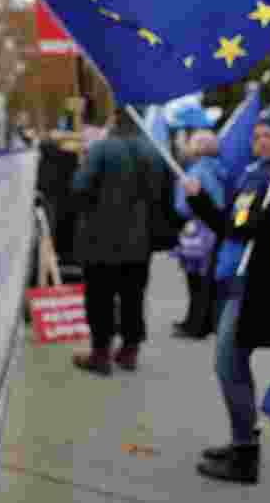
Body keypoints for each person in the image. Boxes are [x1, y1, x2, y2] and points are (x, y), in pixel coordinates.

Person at [182, 103, 270, 484]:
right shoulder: (252, 174)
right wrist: (198, 199)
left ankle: (245, 455)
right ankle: (242, 439)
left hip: (255, 287)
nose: (260, 141)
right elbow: (232, 225)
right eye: (257, 135)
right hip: (231, 280)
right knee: (231, 364)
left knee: (227, 364)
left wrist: (269, 220)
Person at [69, 106, 170, 375]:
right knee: (133, 297)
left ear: (114, 119)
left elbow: (80, 189)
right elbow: (163, 196)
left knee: (99, 298)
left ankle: (100, 354)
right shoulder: (153, 151)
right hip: (140, 240)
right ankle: (129, 351)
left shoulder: (101, 149)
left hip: (100, 238)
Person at [171, 129, 225, 339]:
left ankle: (195, 324)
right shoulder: (219, 170)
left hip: (197, 230)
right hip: (211, 230)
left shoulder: (196, 172)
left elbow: (182, 207)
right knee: (205, 280)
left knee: (194, 281)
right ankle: (200, 321)